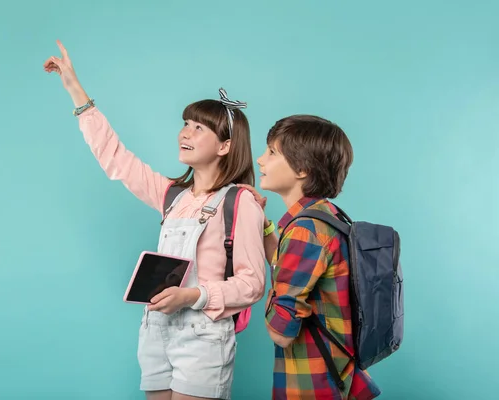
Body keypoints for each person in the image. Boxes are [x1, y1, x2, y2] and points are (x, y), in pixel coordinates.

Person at [43, 40, 266, 400]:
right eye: (185, 124)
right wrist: (74, 88)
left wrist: (192, 295)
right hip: (156, 328)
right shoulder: (171, 196)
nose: (184, 133)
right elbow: (115, 157)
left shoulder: (241, 203)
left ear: (224, 146)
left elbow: (253, 284)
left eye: (198, 129)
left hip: (203, 336)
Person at [240, 115, 381, 399]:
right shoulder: (328, 217)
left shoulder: (305, 230)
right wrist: (266, 226)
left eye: (271, 152)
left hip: (312, 385)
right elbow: (291, 267)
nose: (260, 159)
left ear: (302, 168)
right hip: (340, 374)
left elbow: (282, 332)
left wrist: (274, 299)